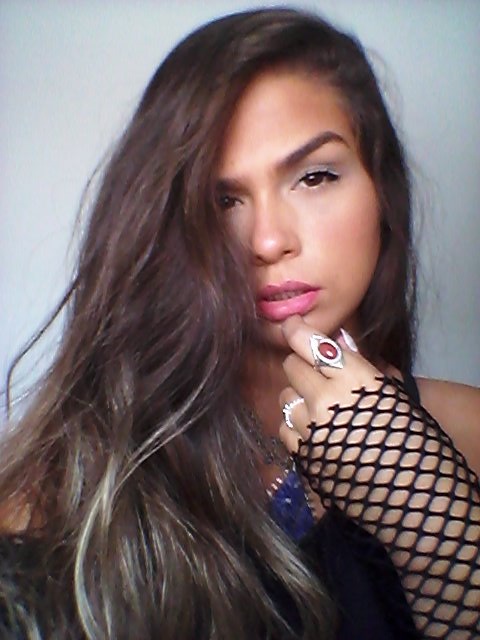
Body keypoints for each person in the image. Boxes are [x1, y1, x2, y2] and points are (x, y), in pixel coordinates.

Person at [0, 7, 479, 640]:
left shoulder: (469, 431)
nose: (267, 240)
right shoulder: (72, 479)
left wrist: (435, 524)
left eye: (314, 177)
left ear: (381, 191)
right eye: (223, 200)